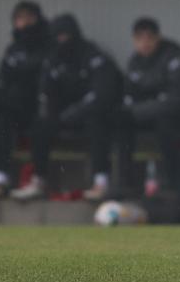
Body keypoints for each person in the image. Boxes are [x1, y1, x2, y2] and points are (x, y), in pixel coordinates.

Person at [11, 14, 123, 201]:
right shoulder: (53, 58)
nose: (63, 41)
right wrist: (54, 113)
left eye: (66, 36)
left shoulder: (94, 55)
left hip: (91, 114)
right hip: (64, 116)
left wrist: (76, 111)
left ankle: (100, 182)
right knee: (40, 125)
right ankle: (38, 180)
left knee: (98, 123)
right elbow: (46, 92)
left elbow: (103, 94)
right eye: (59, 37)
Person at [119, 18, 180, 194]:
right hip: (150, 114)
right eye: (139, 38)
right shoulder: (135, 63)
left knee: (165, 124)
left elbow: (177, 101)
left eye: (149, 37)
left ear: (157, 38)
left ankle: (172, 184)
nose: (145, 43)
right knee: (121, 121)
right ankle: (125, 183)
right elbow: (130, 95)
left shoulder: (175, 58)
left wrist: (141, 109)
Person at [0, 1, 51, 201]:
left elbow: (42, 81)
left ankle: (38, 181)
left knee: (40, 126)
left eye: (29, 17)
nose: (25, 23)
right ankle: (0, 181)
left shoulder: (48, 46)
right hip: (13, 109)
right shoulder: (13, 49)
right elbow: (1, 81)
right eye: (20, 18)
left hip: (41, 108)